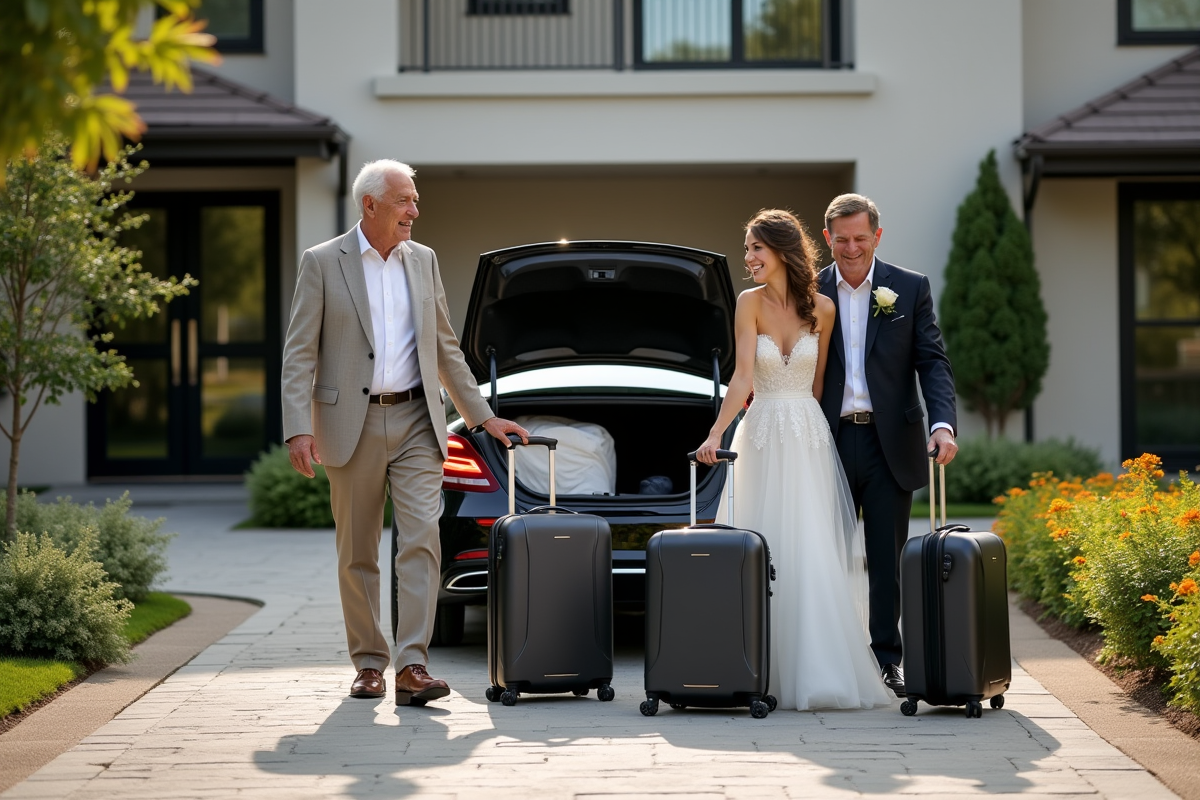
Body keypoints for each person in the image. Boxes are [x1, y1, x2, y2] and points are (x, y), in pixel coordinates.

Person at [281, 159, 528, 707]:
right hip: (350, 422)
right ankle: (369, 663)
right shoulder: (323, 263)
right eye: (404, 201)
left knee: (422, 538)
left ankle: (412, 664)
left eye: (415, 201)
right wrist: (298, 428)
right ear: (370, 205)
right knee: (358, 550)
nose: (415, 211)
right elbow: (299, 351)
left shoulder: (425, 261)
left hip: (419, 418)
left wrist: (483, 417)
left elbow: (444, 347)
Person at [695, 209, 893, 711]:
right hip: (760, 432)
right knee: (759, 539)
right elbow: (741, 378)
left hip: (807, 434)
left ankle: (815, 671)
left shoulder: (822, 309)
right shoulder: (747, 303)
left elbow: (821, 383)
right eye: (747, 249)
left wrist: (819, 433)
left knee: (809, 546)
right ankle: (748, 666)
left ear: (781, 251)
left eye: (755, 249)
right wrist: (716, 434)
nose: (748, 259)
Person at [817, 193, 958, 697]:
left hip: (889, 443)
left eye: (860, 238)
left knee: (885, 560)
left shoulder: (910, 287)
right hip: (822, 441)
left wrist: (942, 424)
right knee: (822, 556)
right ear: (827, 237)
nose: (850, 249)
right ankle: (826, 659)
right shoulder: (807, 290)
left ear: (877, 236)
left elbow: (932, 362)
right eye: (841, 239)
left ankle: (886, 661)